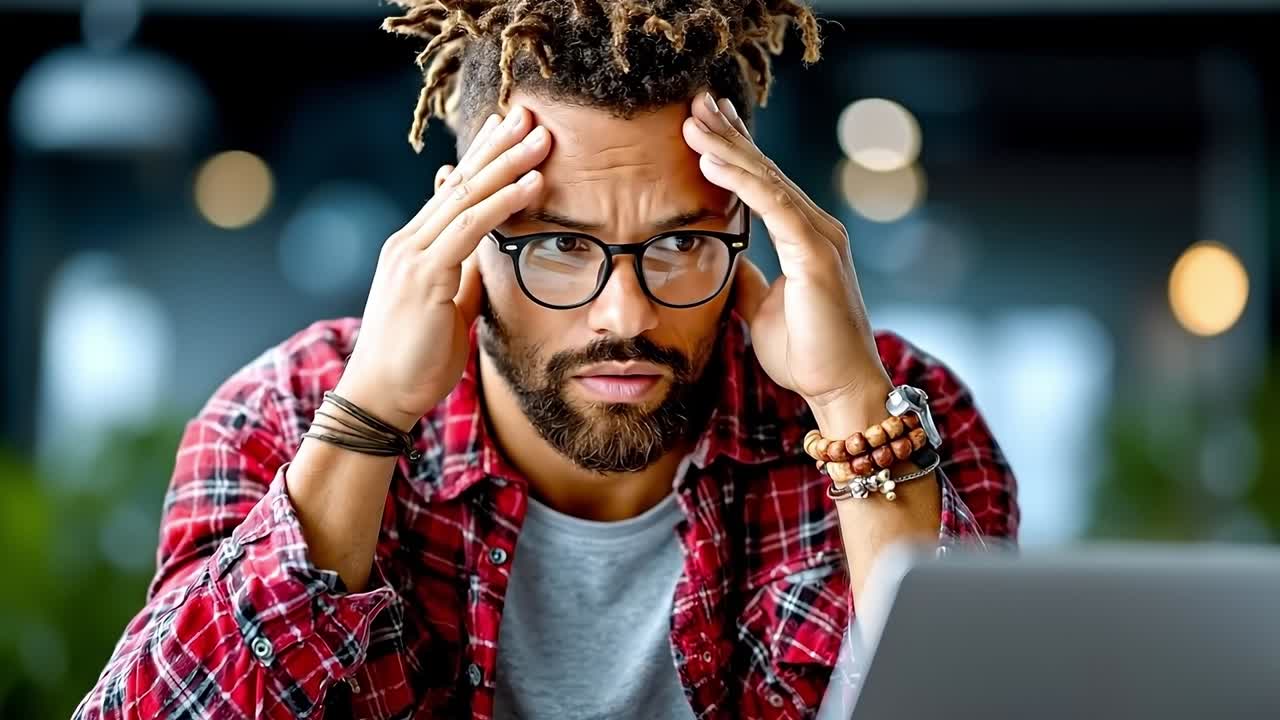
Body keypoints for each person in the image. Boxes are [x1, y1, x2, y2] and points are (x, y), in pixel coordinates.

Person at [76, 0, 1017, 717]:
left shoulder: (898, 408)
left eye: (681, 242)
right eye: (559, 245)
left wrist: (851, 400)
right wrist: (367, 420)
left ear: (745, 225)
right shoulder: (283, 415)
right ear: (460, 228)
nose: (627, 313)